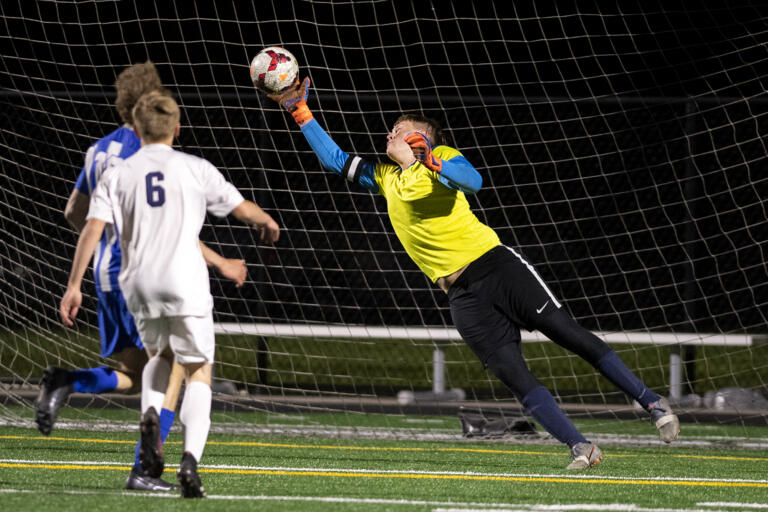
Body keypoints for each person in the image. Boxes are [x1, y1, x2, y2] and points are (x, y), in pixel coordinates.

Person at [264, 76, 679, 470]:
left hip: (496, 266)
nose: (389, 134)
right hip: (461, 296)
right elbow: (336, 161)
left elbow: (473, 180)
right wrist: (301, 111)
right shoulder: (389, 178)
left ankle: (651, 402)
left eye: (399, 129)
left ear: (421, 138)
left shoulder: (441, 159)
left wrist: (432, 160)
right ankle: (582, 447)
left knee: (569, 335)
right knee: (513, 375)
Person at [35, 61, 247, 492]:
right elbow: (174, 229)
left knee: (134, 375)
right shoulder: (149, 152)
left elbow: (74, 213)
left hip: (106, 275)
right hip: (144, 275)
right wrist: (221, 261)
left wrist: (107, 238)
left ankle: (68, 380)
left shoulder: (98, 151)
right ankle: (144, 469)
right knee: (173, 370)